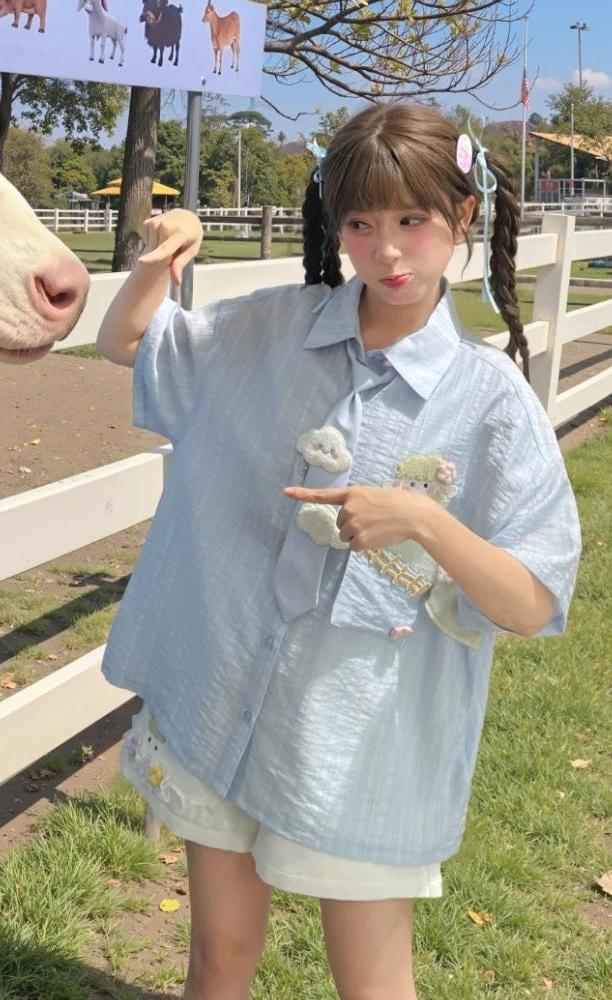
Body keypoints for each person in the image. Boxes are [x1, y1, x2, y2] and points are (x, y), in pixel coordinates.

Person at [95, 103, 581, 1000]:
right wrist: (160, 260)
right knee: (218, 957)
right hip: (223, 699)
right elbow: (126, 341)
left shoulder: (491, 403)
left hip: (356, 747)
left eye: (413, 222)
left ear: (463, 218)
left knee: (371, 983)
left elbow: (534, 602)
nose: (387, 252)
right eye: (360, 224)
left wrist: (425, 520)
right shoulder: (269, 332)